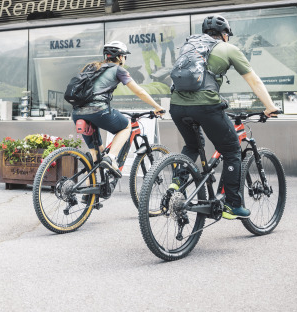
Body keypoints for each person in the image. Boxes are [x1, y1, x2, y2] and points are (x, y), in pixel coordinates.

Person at [169, 15, 279, 219]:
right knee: (232, 150)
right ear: (225, 34)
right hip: (205, 106)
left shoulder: (189, 47)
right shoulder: (228, 48)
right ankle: (232, 204)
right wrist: (270, 107)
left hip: (176, 106)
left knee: (192, 145)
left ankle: (177, 182)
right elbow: (254, 81)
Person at [72, 40, 166, 177]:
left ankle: (90, 190)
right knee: (126, 126)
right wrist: (157, 107)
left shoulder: (92, 67)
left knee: (95, 155)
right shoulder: (118, 70)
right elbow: (139, 91)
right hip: (98, 111)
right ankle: (111, 158)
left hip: (77, 113)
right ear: (121, 57)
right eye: (125, 56)